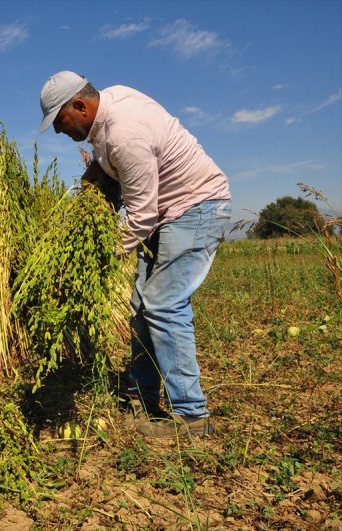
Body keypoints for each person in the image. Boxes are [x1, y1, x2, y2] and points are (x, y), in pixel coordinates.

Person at [38, 71, 231, 438]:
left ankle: (192, 417)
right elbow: (109, 160)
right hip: (166, 214)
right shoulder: (110, 106)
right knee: (141, 306)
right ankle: (141, 395)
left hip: (195, 208)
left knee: (163, 304)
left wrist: (98, 253)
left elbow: (141, 215)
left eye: (60, 122)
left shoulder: (125, 132)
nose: (60, 133)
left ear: (79, 105)